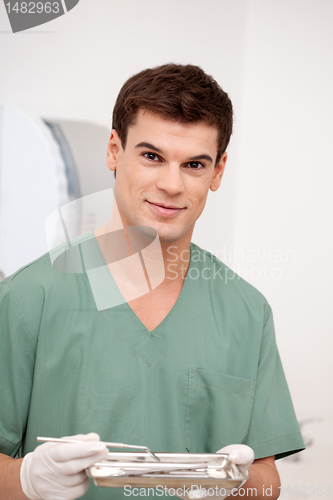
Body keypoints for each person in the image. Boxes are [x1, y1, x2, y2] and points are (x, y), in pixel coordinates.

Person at [0, 64, 305, 500]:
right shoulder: (28, 299)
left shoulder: (246, 312)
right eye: (151, 156)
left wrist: (231, 487)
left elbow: (265, 481)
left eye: (195, 164)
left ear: (217, 172)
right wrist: (25, 481)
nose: (171, 184)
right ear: (113, 150)